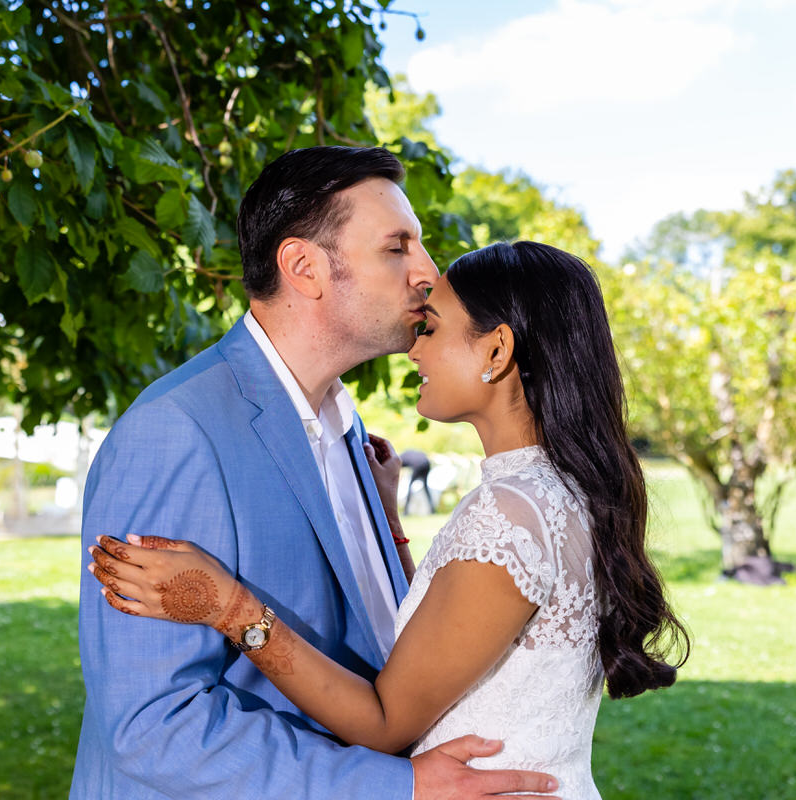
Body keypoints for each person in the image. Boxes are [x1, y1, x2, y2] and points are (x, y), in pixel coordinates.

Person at [89, 241, 691, 799]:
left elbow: (383, 721)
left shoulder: (509, 513)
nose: (416, 346)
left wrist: (229, 607)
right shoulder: (557, 493)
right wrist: (390, 526)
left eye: (433, 329)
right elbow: (454, 633)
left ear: (497, 350)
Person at [70, 148, 561, 799]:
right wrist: (396, 787)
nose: (427, 272)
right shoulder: (177, 433)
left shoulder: (351, 434)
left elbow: (388, 644)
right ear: (305, 268)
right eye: (397, 247)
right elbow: (153, 727)